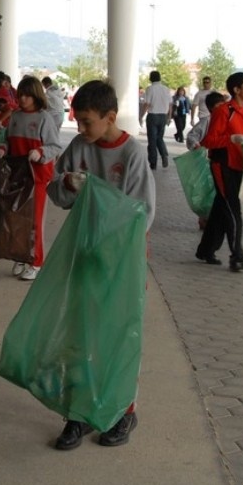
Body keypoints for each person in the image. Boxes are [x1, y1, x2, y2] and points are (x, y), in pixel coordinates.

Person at [47, 79, 156, 450]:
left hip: (122, 262)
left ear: (110, 117)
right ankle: (77, 413)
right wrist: (68, 184)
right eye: (77, 120)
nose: (80, 129)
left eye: (88, 122)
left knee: (119, 336)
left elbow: (142, 214)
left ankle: (122, 411)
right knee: (78, 333)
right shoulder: (79, 146)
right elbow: (55, 191)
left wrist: (96, 192)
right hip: (84, 255)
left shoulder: (132, 155)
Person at [0, 75, 62, 281]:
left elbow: (54, 146)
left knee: (34, 221)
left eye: (27, 96)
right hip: (16, 175)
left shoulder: (44, 119)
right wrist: (3, 149)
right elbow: (7, 140)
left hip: (37, 177)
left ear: (36, 96)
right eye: (20, 95)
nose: (23, 99)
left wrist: (40, 152)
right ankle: (21, 257)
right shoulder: (14, 117)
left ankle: (36, 261)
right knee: (16, 218)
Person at [195, 72, 243, 272]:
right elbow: (209, 141)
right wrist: (231, 139)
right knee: (233, 210)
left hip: (238, 165)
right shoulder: (223, 111)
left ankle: (206, 249)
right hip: (222, 164)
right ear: (236, 90)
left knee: (221, 208)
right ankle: (237, 255)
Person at [186, 91, 226, 230]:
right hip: (208, 164)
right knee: (208, 192)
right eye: (218, 106)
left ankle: (213, 218)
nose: (222, 109)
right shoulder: (206, 122)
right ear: (210, 109)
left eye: (223, 105)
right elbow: (192, 136)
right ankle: (205, 218)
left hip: (223, 164)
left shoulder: (227, 120)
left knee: (218, 192)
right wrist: (197, 146)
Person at [139, 70, 173, 170]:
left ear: (150, 78)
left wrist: (141, 116)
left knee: (152, 140)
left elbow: (147, 104)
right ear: (159, 78)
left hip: (153, 116)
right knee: (159, 138)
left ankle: (153, 163)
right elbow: (170, 104)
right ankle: (164, 155)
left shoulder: (150, 89)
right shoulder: (166, 89)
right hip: (163, 116)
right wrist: (169, 116)